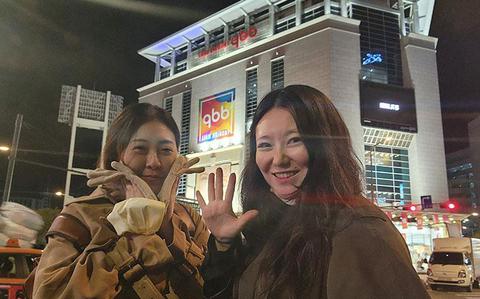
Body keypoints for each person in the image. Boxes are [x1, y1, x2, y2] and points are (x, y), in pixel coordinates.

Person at [197, 85, 430, 298]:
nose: (278, 159)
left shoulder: (360, 229)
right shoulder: (272, 223)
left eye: (294, 140)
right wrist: (224, 245)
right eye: (265, 145)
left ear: (326, 145)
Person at [32, 103, 208, 299]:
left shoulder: (189, 217)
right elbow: (50, 293)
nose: (154, 162)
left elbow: (213, 288)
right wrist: (130, 226)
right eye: (140, 149)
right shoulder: (80, 215)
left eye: (166, 150)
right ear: (117, 155)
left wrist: (167, 227)